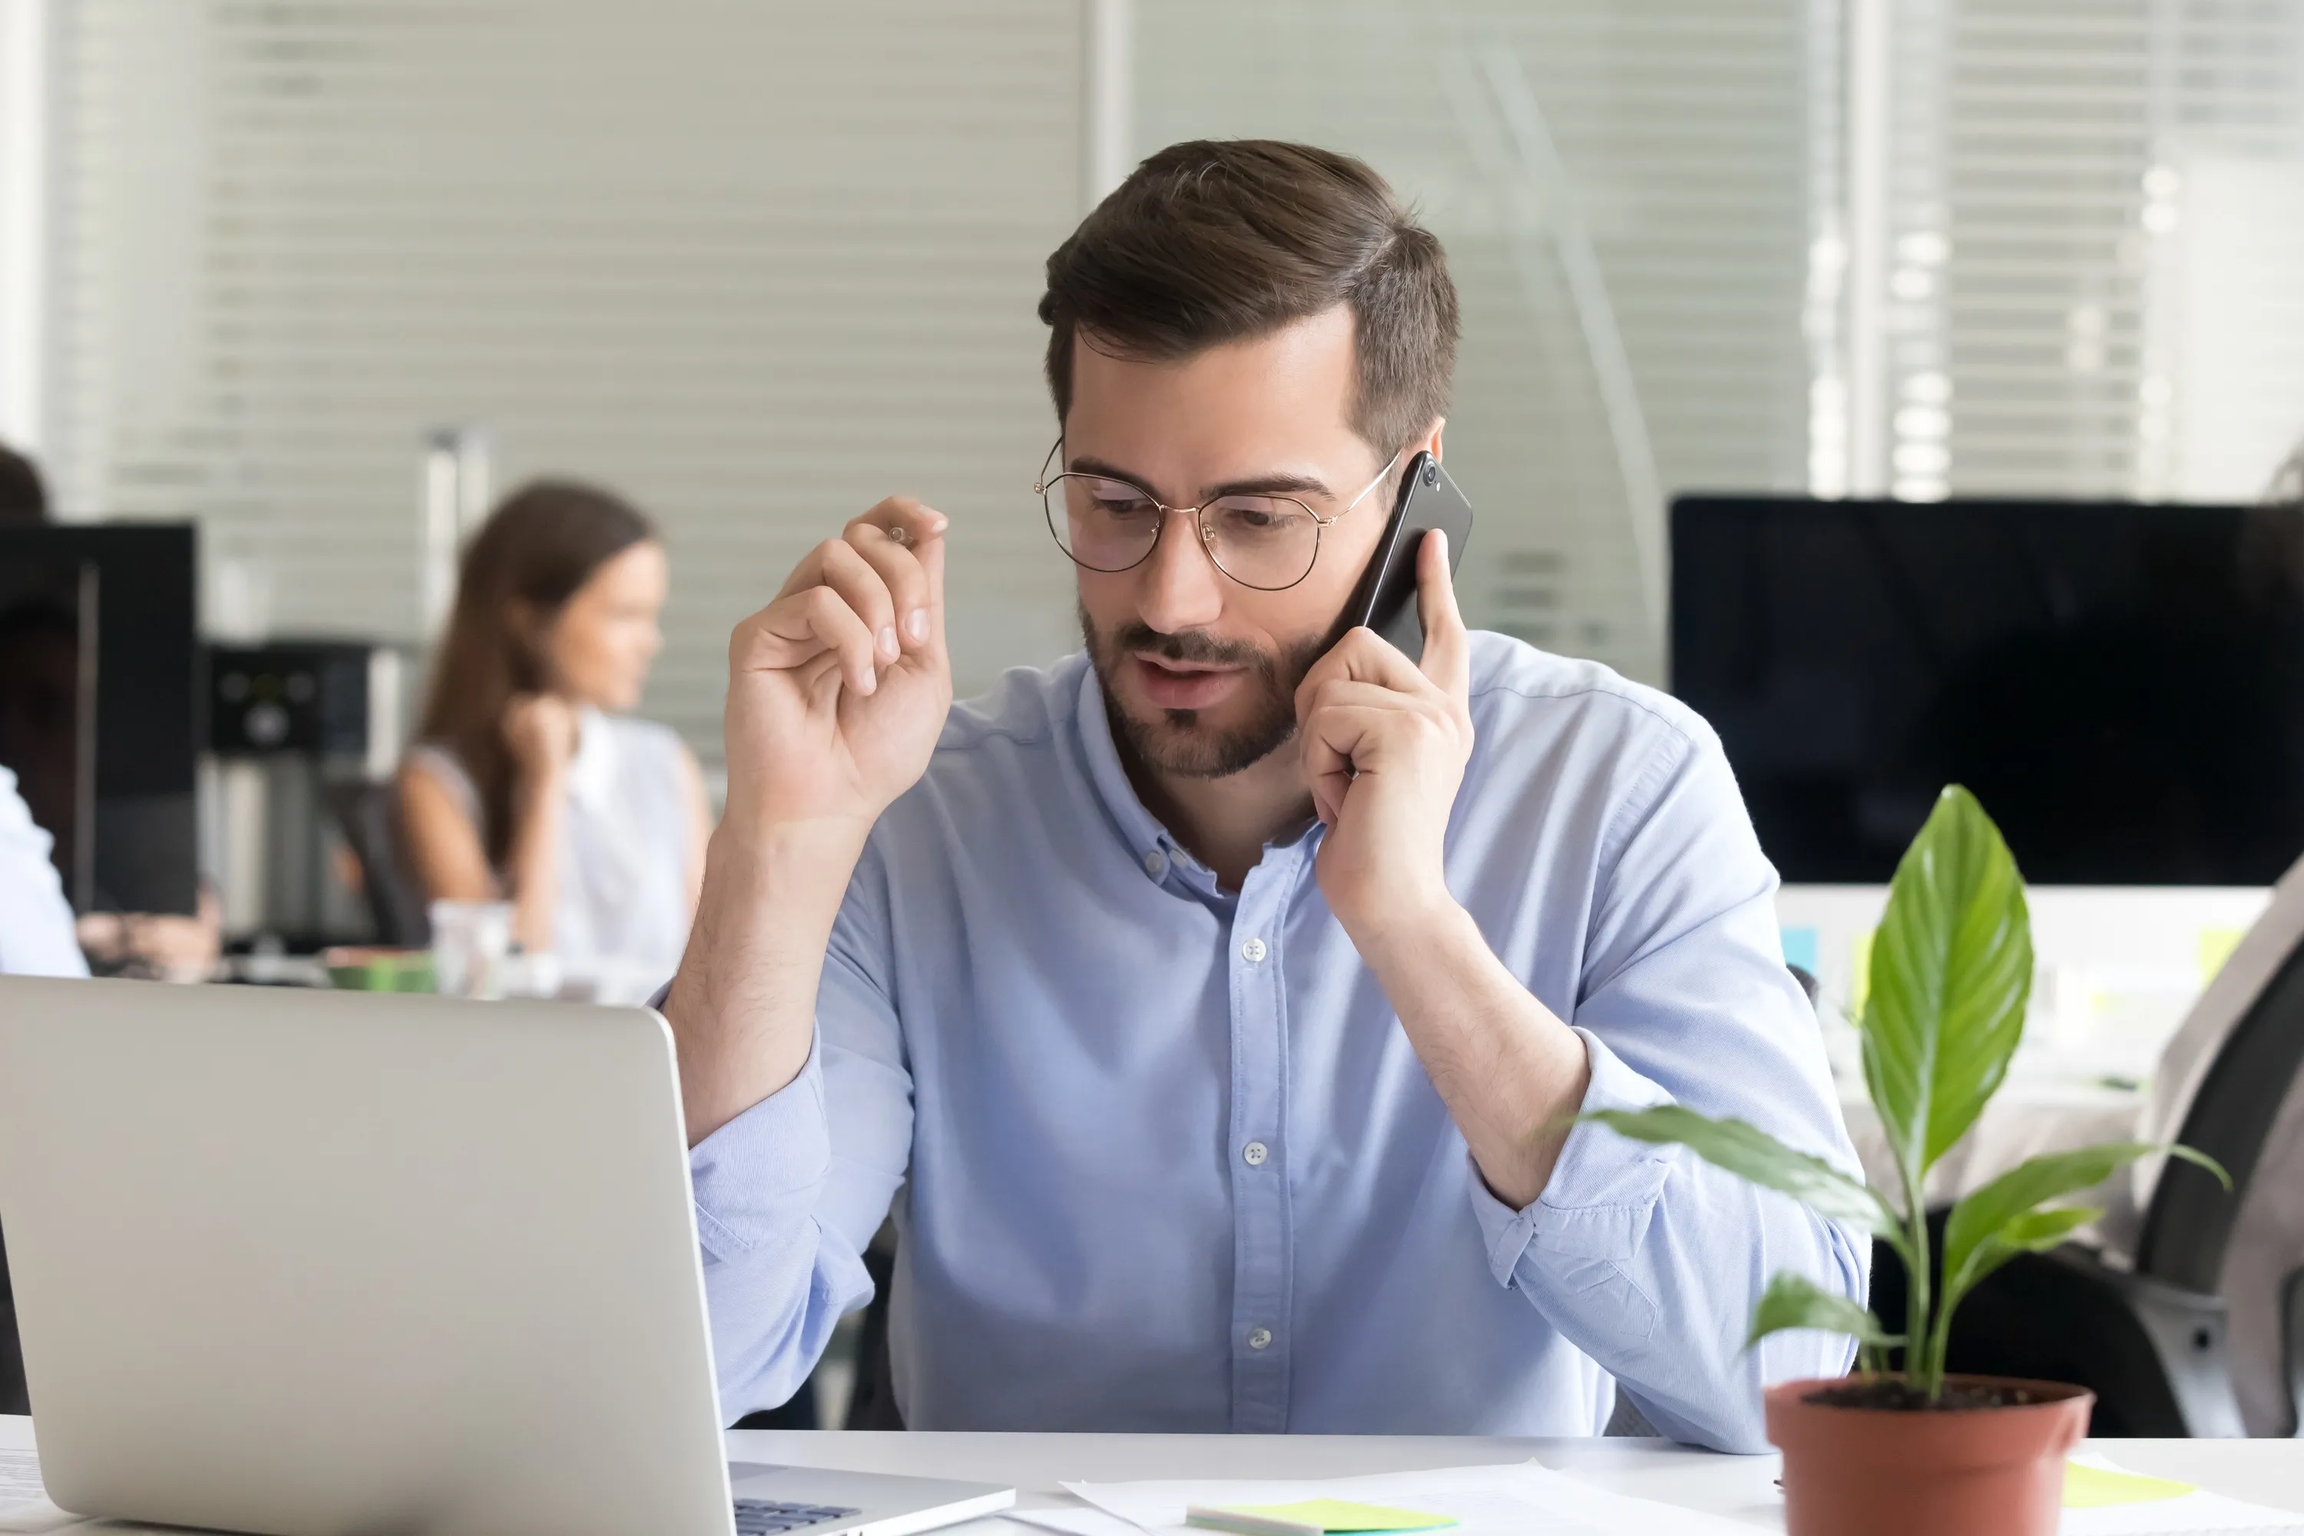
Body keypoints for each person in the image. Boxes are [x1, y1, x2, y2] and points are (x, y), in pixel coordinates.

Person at [666, 140, 1866, 1449]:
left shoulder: (1617, 787)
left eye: (1259, 519)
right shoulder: (916, 820)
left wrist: (1415, 930)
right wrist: (782, 839)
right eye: (1114, 502)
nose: (1171, 597)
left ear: (1415, 488)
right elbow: (697, 1363)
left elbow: (1793, 1378)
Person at [400, 480, 711, 1002]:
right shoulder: (435, 782)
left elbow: (708, 956)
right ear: (530, 622)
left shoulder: (664, 761)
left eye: (651, 615)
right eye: (624, 615)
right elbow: (498, 982)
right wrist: (544, 788)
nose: (650, 642)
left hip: (664, 1060)